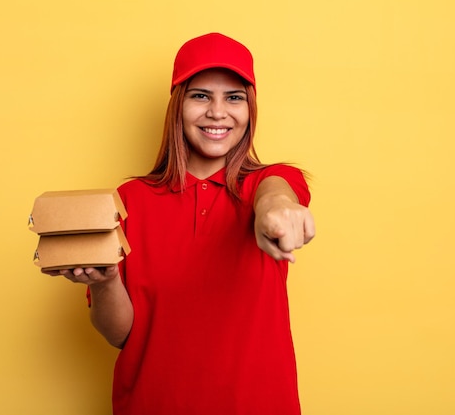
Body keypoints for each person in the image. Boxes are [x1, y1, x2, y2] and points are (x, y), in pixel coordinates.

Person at [45, 32, 315, 415]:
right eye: (200, 95)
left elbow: (278, 194)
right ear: (178, 105)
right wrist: (105, 281)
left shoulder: (267, 183)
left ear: (251, 109)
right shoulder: (131, 200)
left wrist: (274, 210)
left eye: (234, 97)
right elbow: (121, 336)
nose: (217, 112)